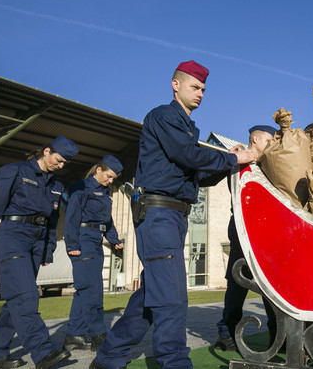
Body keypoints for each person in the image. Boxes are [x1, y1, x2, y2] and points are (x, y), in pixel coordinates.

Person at [90, 60, 258, 369]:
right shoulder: (164, 116)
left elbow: (197, 175)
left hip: (173, 217)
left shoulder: (185, 127)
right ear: (175, 85)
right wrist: (232, 156)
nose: (201, 94)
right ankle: (175, 362)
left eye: (204, 90)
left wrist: (231, 164)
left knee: (151, 298)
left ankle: (109, 357)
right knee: (172, 299)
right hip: (159, 213)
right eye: (195, 87)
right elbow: (189, 155)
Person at [0, 135, 78, 369]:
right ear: (46, 151)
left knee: (16, 299)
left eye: (65, 163)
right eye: (59, 159)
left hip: (37, 241)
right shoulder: (14, 171)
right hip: (14, 234)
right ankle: (43, 351)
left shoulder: (55, 185)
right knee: (26, 295)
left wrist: (48, 250)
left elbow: (52, 221)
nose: (61, 166)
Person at [215, 125, 278, 352]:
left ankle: (277, 335)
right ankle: (227, 332)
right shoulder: (239, 163)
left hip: (265, 232)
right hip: (243, 230)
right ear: (255, 139)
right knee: (236, 284)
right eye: (268, 140)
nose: (272, 145)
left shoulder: (271, 167)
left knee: (270, 286)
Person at [63, 155, 125, 352]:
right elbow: (71, 216)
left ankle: (74, 335)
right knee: (93, 290)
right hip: (82, 239)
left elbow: (108, 221)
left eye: (114, 178)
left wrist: (114, 240)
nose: (111, 180)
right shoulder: (81, 187)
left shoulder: (105, 192)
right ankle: (98, 334)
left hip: (97, 240)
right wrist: (72, 243)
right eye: (109, 176)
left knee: (84, 291)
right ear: (98, 170)